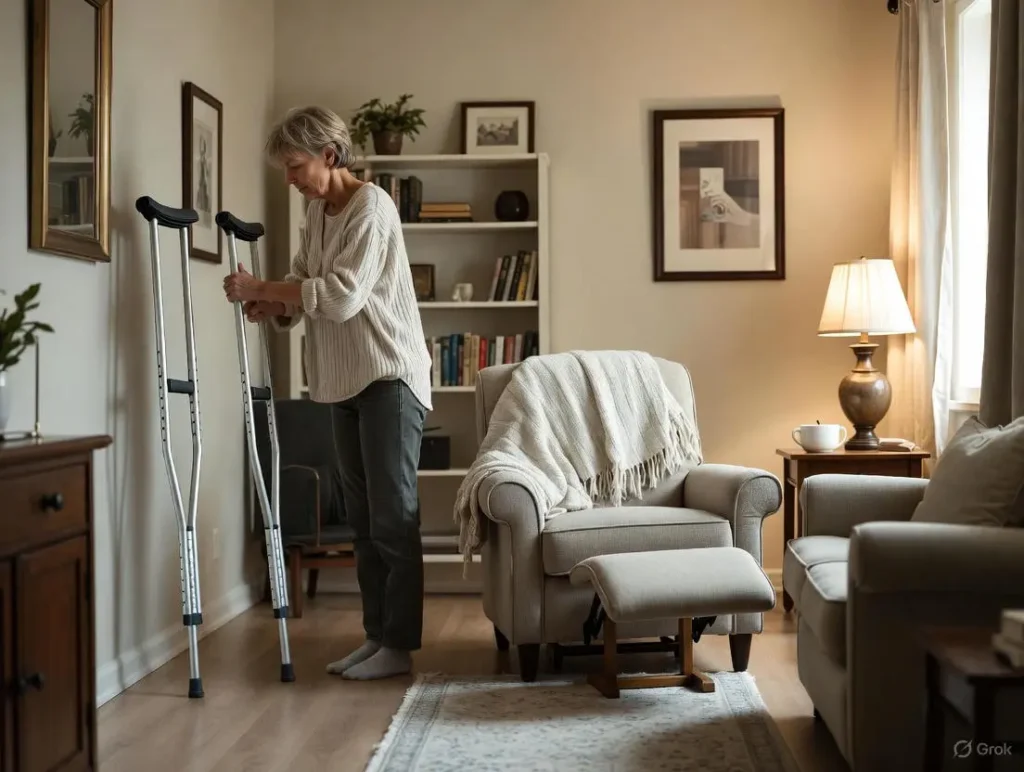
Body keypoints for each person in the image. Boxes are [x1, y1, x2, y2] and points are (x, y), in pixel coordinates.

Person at [222, 105, 432, 681]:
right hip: (344, 382)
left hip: (389, 378)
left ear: (330, 155)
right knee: (363, 521)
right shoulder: (316, 212)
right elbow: (303, 282)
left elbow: (339, 296)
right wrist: (271, 304)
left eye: (295, 166)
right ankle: (376, 637)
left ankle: (399, 646)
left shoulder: (373, 206)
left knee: (393, 518)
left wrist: (265, 286)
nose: (289, 179)